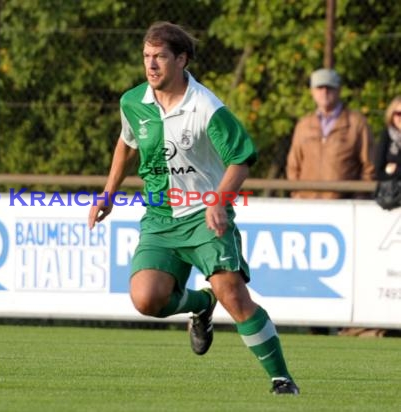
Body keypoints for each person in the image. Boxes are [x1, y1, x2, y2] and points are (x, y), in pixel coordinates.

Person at [88, 21, 299, 395]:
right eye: (146, 57)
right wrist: (108, 193)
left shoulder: (205, 107)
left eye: (160, 58)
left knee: (234, 297)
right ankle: (201, 304)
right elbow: (126, 143)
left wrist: (219, 200)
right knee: (146, 299)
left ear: (181, 60)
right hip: (159, 218)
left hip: (204, 216)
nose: (151, 65)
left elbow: (241, 159)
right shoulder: (133, 102)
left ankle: (281, 379)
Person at [286, 68, 375, 199]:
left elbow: (369, 166)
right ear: (312, 92)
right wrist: (297, 194)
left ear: (339, 90)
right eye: (319, 88)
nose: (324, 92)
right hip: (306, 203)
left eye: (330, 87)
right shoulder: (303, 125)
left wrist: (359, 196)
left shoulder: (357, 123)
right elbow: (293, 165)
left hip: (344, 205)